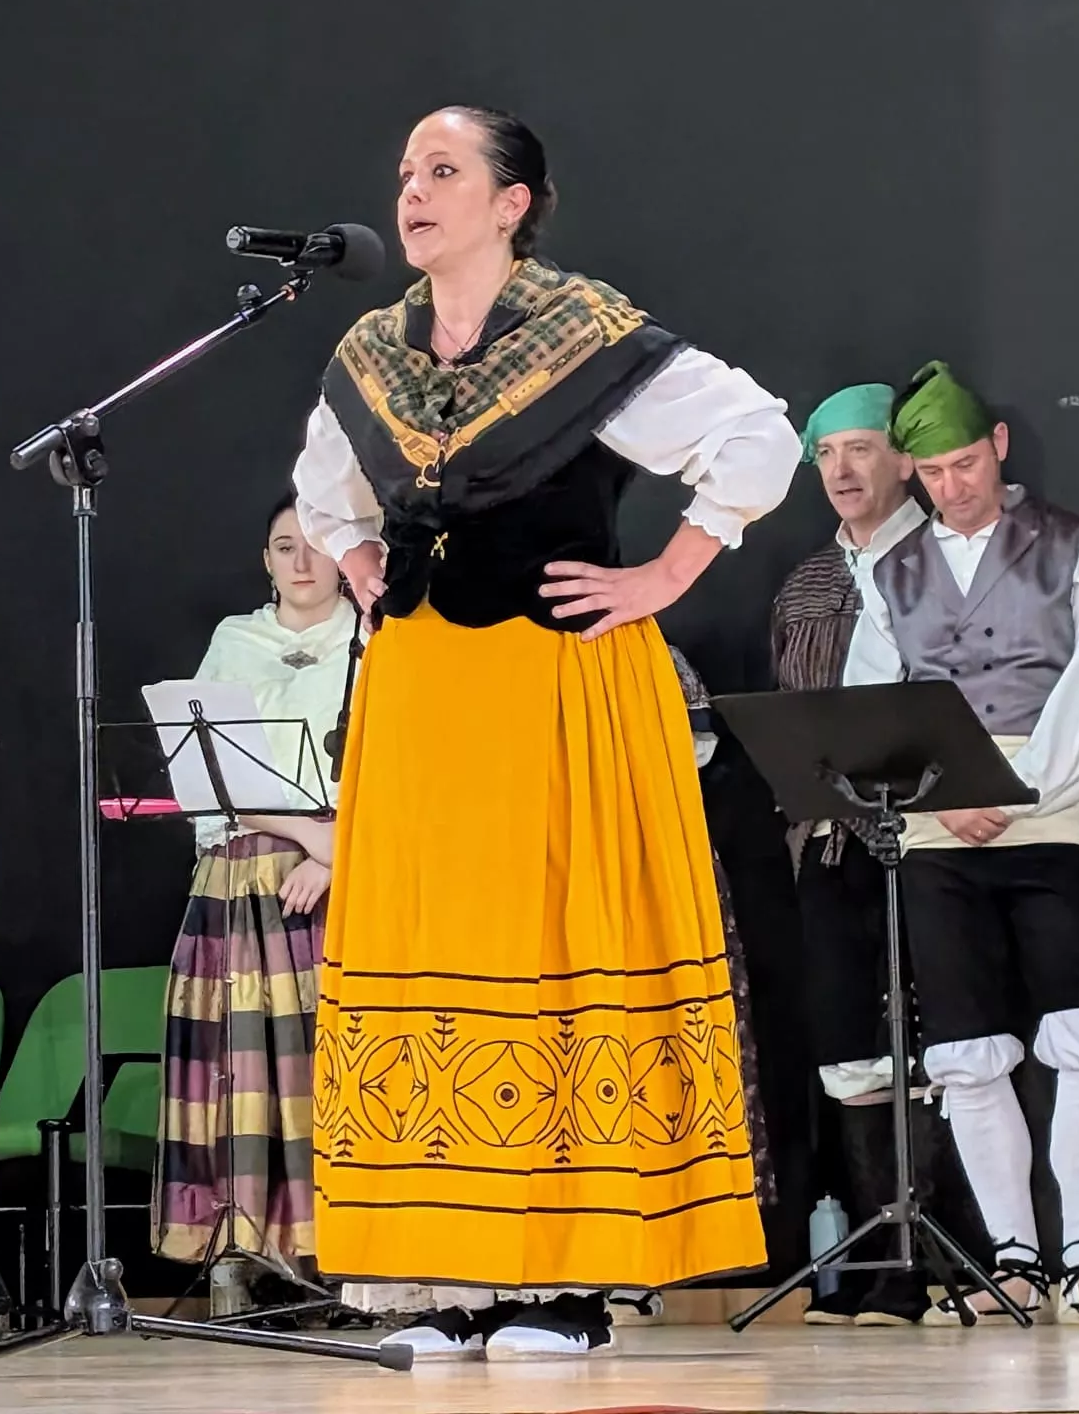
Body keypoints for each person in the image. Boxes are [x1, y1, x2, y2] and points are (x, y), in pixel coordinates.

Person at [293, 105, 791, 1360]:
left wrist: (666, 576)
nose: (414, 192)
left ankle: (565, 1286)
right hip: (422, 696)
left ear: (514, 202)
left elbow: (755, 438)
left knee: (554, 956)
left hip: (551, 686)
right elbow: (322, 486)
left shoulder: (586, 336)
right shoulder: (373, 348)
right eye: (406, 171)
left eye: (444, 171)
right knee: (435, 957)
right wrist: (358, 559)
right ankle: (451, 1278)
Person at [876, 362, 1079, 1326]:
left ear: (998, 448)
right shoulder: (892, 571)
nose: (953, 486)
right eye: (932, 472)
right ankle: (1011, 1259)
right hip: (936, 822)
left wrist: (1017, 786)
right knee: (965, 1041)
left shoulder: (1076, 549)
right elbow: (875, 696)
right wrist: (943, 791)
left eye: (966, 464)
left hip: (1050, 812)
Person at [774, 382, 982, 1329]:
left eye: (861, 449)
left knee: (937, 1040)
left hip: (933, 833)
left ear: (903, 460)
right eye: (827, 455)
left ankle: (933, 1259)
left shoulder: (949, 564)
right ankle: (870, 1253)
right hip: (831, 841)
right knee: (851, 1049)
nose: (844, 471)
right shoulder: (806, 586)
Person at [151, 496, 357, 1286]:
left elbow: (389, 762)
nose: (301, 562)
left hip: (333, 874)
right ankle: (237, 1251)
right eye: (283, 547)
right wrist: (306, 831)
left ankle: (331, 1255)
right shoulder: (234, 642)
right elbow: (201, 771)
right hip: (241, 870)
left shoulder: (370, 640)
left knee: (315, 1069)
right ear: (264, 560)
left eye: (314, 545)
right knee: (233, 1070)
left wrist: (336, 852)